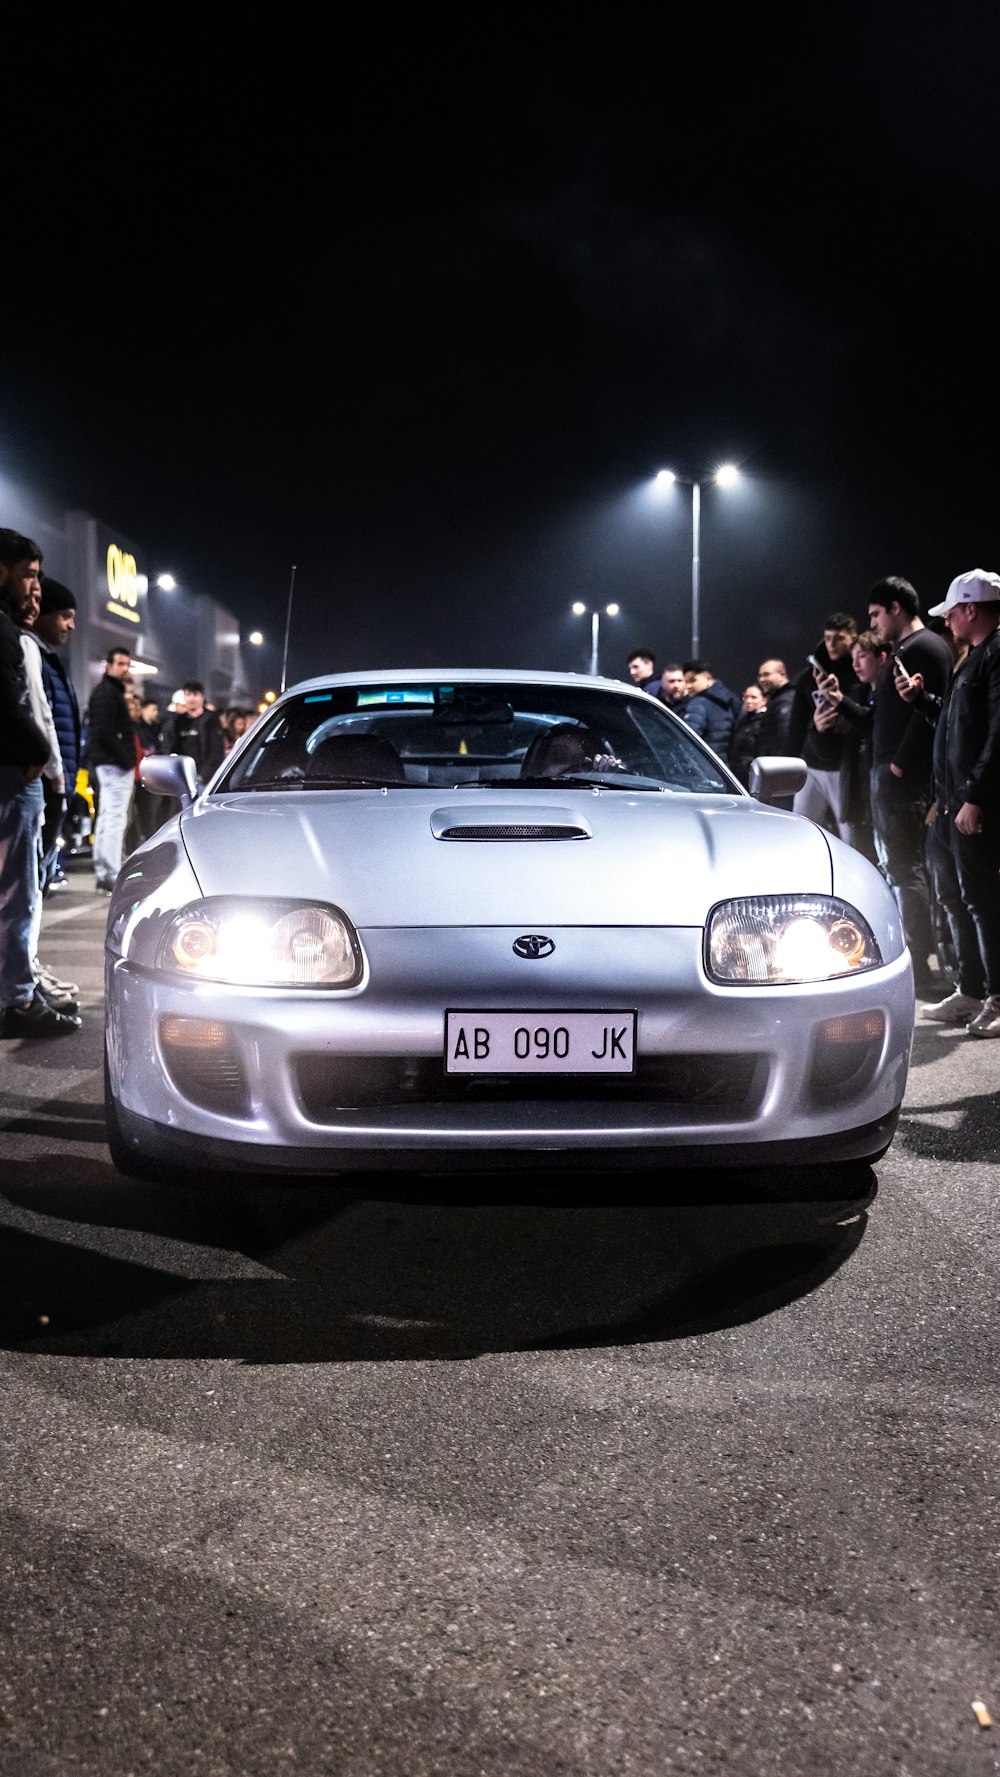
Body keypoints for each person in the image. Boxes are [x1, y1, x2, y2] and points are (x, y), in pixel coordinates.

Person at [895, 571, 1000, 1034]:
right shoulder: (974, 657)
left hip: (972, 803)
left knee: (982, 901)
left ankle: (996, 995)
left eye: (953, 612)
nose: (948, 620)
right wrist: (923, 701)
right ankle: (971, 990)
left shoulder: (995, 654)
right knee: (956, 897)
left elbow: (998, 733)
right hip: (952, 802)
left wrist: (975, 795)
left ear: (971, 609)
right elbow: (958, 726)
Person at [0, 528, 79, 1037]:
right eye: (29, 575)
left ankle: (19, 988)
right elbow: (18, 706)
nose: (35, 588)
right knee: (19, 894)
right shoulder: (10, 636)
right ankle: (18, 998)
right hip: (15, 776)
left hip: (19, 774)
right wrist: (40, 758)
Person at [865, 576, 952, 993]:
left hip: (904, 778)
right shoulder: (904, 650)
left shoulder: (926, 647)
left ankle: (924, 966)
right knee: (896, 868)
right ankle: (914, 959)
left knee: (906, 868)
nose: (874, 623)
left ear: (896, 607)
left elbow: (932, 711)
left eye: (876, 614)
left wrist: (901, 763)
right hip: (887, 773)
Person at [812, 629, 887, 863]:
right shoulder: (857, 692)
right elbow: (836, 744)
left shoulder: (889, 695)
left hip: (883, 792)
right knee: (861, 859)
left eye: (862, 656)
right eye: (853, 657)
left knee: (894, 864)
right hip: (857, 794)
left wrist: (840, 700)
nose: (855, 664)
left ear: (882, 657)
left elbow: (872, 724)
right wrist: (820, 729)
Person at [787, 614, 861, 841]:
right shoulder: (808, 676)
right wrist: (789, 764)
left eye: (838, 638)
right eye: (828, 638)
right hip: (813, 763)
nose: (831, 643)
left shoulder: (861, 672)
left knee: (851, 836)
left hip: (846, 766)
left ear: (852, 638)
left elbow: (865, 717)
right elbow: (796, 723)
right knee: (801, 830)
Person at [34, 578, 81, 894]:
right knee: (29, 880)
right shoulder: (34, 657)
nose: (72, 625)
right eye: (65, 615)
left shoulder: (49, 660)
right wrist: (54, 776)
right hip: (43, 785)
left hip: (54, 784)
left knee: (39, 878)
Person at [86, 645, 136, 892]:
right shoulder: (108, 693)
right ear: (108, 665)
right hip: (113, 764)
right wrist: (127, 759)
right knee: (114, 819)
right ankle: (111, 872)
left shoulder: (108, 691)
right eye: (120, 664)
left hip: (108, 762)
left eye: (127, 664)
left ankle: (105, 871)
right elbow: (104, 732)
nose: (124, 668)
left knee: (107, 818)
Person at [159, 680, 226, 785]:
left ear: (202, 697)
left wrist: (203, 775)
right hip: (182, 778)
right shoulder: (177, 722)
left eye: (195, 694)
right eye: (188, 694)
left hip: (205, 779)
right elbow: (169, 747)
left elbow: (216, 750)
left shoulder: (211, 720)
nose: (191, 698)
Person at [680, 658, 740, 755]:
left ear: (708, 678)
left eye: (692, 680)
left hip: (704, 763)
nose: (688, 686)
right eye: (686, 682)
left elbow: (689, 738)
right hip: (723, 764)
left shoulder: (698, 703)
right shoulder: (729, 700)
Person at [728, 684, 767, 787]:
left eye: (753, 697)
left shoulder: (765, 721)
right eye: (746, 697)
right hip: (737, 772)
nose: (749, 701)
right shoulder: (742, 719)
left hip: (753, 774)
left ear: (764, 700)